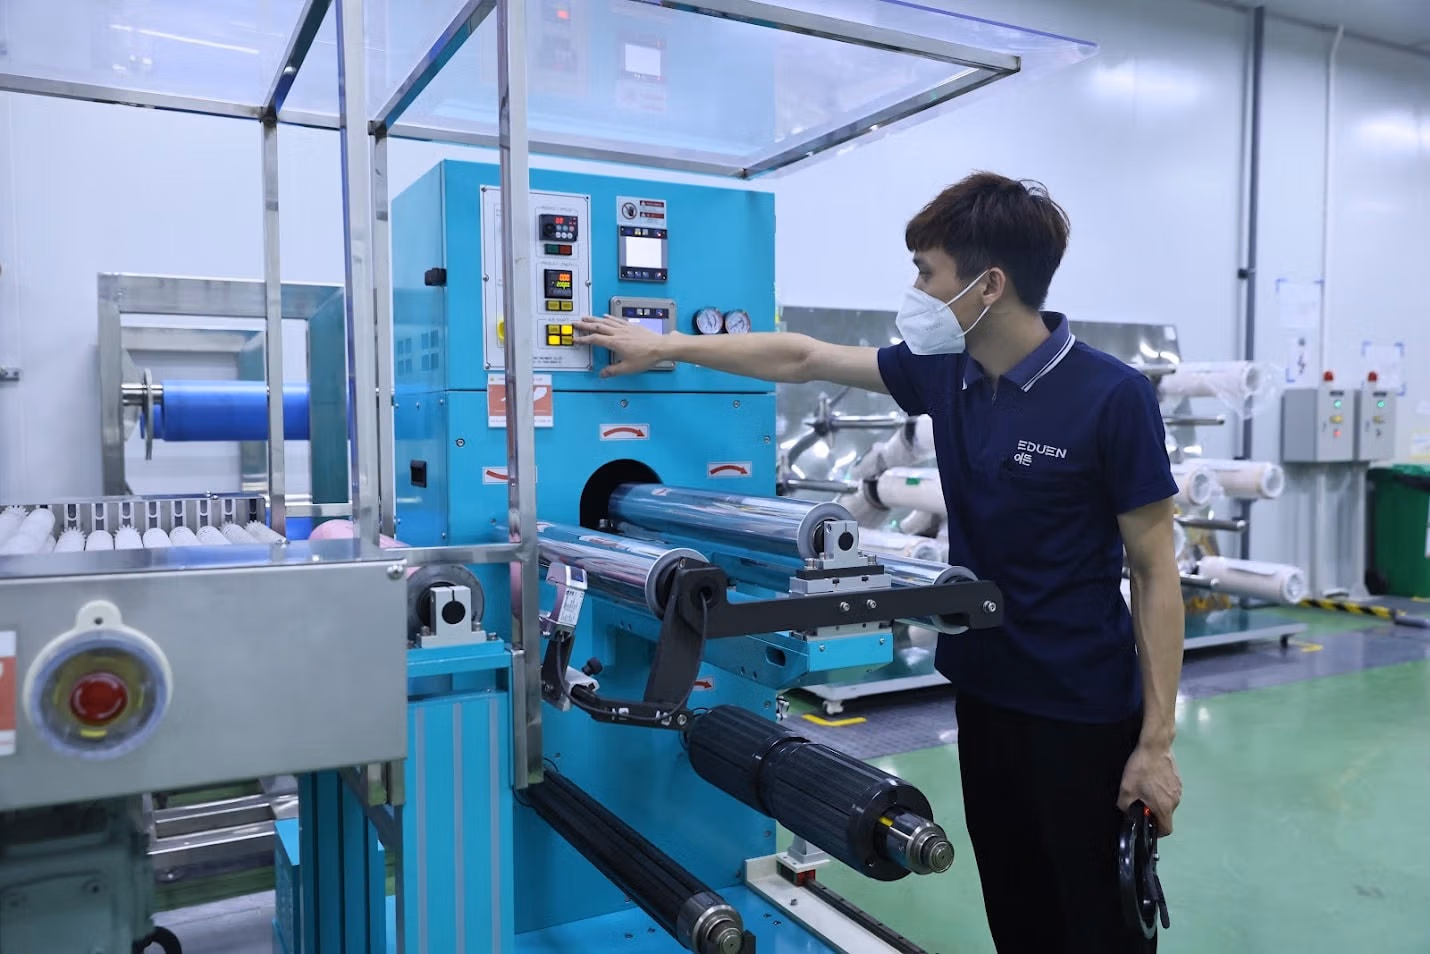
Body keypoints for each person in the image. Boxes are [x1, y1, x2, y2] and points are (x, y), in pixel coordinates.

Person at [574, 171, 1183, 953]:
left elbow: (1156, 571)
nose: (916, 291)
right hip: (984, 697)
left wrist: (1155, 744)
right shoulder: (949, 373)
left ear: (989, 285)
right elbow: (802, 357)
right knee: (1017, 911)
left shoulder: (1111, 396)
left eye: (927, 273)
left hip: (1081, 715)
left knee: (1096, 924)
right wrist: (664, 345)